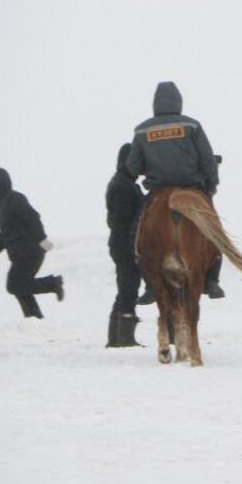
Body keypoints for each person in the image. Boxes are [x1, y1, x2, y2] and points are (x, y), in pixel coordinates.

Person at [126, 81, 224, 300]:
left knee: (137, 235)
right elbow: (207, 160)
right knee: (215, 231)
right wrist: (211, 186)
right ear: (179, 102)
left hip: (158, 190)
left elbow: (133, 166)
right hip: (193, 188)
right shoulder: (192, 126)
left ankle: (150, 285)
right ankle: (212, 279)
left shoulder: (142, 130)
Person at [0, 168, 64, 318]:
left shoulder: (15, 199)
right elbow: (4, 235)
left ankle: (53, 283)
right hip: (20, 255)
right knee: (20, 286)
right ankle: (34, 320)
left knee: (14, 284)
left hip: (31, 251)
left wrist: (42, 240)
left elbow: (33, 218)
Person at [105, 143, 144, 345]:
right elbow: (122, 222)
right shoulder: (124, 186)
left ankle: (115, 337)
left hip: (119, 244)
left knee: (125, 288)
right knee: (129, 288)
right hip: (124, 246)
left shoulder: (121, 182)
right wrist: (132, 249)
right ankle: (124, 338)